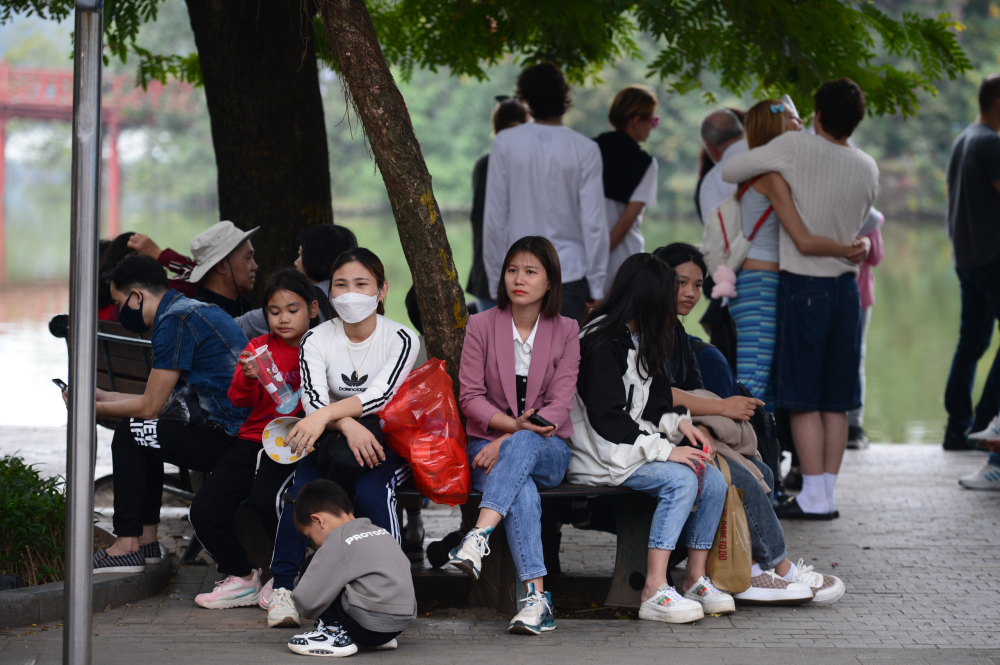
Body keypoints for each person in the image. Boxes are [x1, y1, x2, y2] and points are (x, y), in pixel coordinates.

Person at [722, 79, 880, 521]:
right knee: (836, 398)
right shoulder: (868, 165)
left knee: (806, 397)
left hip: (805, 285)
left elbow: (731, 170)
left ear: (819, 115)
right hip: (847, 290)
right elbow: (863, 224)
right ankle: (824, 494)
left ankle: (811, 494)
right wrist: (856, 248)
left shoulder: (796, 147)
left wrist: (785, 146)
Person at [655, 243, 846, 606]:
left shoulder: (678, 336)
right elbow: (657, 395)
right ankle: (781, 568)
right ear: (657, 280)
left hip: (686, 432)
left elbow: (696, 391)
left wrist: (709, 428)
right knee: (738, 477)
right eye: (681, 282)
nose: (691, 293)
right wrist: (719, 412)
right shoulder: (646, 334)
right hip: (655, 440)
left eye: (697, 285)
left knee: (762, 470)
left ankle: (750, 566)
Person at [570, 253, 730, 624]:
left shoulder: (644, 337)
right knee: (681, 480)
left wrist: (681, 428)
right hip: (600, 455)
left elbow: (655, 404)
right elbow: (606, 420)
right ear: (646, 295)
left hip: (632, 448)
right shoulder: (599, 342)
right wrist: (666, 450)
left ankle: (694, 579)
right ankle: (654, 589)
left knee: (714, 480)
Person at [266, 248, 419, 628]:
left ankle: (391, 594)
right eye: (341, 285)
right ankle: (283, 591)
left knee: (372, 494)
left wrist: (334, 417)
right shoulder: (316, 339)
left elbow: (380, 397)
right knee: (300, 496)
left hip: (382, 446)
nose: (350, 293)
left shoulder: (402, 338)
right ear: (329, 292)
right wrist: (347, 425)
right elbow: (312, 398)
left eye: (361, 284)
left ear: (381, 290)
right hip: (330, 443)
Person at [86, 256, 256, 594]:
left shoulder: (174, 321)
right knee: (142, 433)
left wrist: (89, 409)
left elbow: (150, 407)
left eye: (120, 303)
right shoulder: (189, 310)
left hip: (231, 437)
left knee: (130, 434)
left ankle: (127, 545)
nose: (121, 311)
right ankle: (146, 541)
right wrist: (103, 396)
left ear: (136, 296)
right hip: (237, 430)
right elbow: (161, 399)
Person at [447, 236, 580, 635]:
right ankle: (536, 601)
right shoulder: (481, 325)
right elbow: (469, 398)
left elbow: (558, 406)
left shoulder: (567, 330)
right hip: (486, 448)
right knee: (521, 491)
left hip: (548, 449)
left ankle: (478, 535)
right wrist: (511, 430)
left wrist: (508, 438)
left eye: (530, 271)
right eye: (512, 270)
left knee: (522, 450)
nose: (518, 279)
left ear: (550, 282)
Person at [726, 99, 868, 408]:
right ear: (776, 127)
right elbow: (802, 238)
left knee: (771, 382)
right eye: (792, 118)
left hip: (767, 281)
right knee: (753, 380)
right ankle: (738, 453)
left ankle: (766, 454)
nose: (801, 123)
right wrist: (849, 249)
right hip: (761, 281)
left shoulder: (774, 171)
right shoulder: (771, 177)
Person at [223, 270, 319, 617]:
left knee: (273, 498)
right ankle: (256, 573)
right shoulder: (258, 349)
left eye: (292, 310)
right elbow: (237, 400)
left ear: (312, 308)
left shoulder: (321, 344)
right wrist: (248, 379)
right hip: (261, 439)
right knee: (235, 502)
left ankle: (288, 570)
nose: (283, 318)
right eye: (274, 311)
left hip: (308, 440)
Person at [483, 62, 608, 321]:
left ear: (525, 98)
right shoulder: (585, 149)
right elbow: (594, 223)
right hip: (569, 273)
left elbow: (495, 219)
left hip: (519, 275)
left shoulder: (506, 143)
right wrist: (597, 284)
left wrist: (496, 277)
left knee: (520, 360)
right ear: (564, 96)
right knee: (563, 360)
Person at [287, 479, 415, 657]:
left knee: (313, 563)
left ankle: (331, 634)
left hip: (367, 626)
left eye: (310, 535)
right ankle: (378, 641)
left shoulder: (338, 540)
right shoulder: (380, 531)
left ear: (318, 521)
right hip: (398, 625)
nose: (314, 542)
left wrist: (297, 599)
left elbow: (306, 601)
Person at [943, 74, 1000, 457]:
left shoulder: (964, 139)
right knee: (973, 344)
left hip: (967, 257)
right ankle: (985, 424)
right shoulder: (991, 143)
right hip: (994, 258)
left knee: (972, 344)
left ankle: (956, 428)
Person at [236, 224, 359, 339]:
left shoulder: (303, 298)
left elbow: (237, 326)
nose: (296, 262)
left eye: (301, 255)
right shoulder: (362, 296)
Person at [594, 85, 660, 294]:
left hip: (583, 255)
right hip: (622, 262)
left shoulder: (589, 149)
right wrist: (600, 256)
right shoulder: (645, 163)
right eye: (653, 121)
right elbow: (624, 223)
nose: (652, 127)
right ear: (636, 121)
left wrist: (591, 258)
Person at [469, 97, 529, 312]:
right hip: (528, 270)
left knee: (491, 341)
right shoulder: (530, 165)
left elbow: (479, 219)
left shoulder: (485, 163)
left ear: (495, 126)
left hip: (486, 272)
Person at [848, 209, 886, 449]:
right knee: (856, 358)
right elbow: (876, 258)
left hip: (828, 293)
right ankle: (853, 424)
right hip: (860, 298)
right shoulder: (868, 218)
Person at [98, 232, 198, 320]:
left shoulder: (105, 308)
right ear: (130, 260)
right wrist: (158, 253)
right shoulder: (158, 289)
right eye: (148, 259)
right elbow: (199, 275)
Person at [188, 221, 259, 317]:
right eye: (248, 257)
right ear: (221, 266)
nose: (255, 267)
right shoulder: (202, 320)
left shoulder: (237, 309)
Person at [697, 109, 747, 223]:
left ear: (711, 150)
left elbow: (715, 235)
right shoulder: (771, 153)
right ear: (743, 130)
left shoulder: (713, 181)